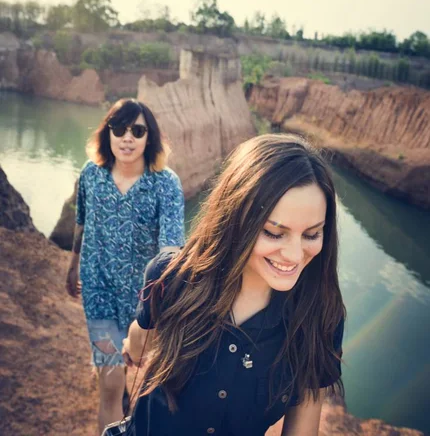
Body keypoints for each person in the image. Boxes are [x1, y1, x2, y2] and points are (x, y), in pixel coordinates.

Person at [122, 133, 345, 436]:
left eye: (311, 234)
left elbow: (303, 424)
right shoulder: (171, 276)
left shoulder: (321, 315)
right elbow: (139, 342)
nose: (294, 255)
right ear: (235, 218)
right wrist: (135, 345)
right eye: (274, 233)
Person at [66, 98, 185, 435]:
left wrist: (150, 311)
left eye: (138, 130)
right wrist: (73, 264)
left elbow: (171, 249)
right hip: (98, 289)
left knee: (139, 371)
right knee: (111, 380)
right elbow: (82, 222)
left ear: (150, 138)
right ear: (108, 134)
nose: (127, 138)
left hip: (142, 300)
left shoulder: (165, 183)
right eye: (119, 129)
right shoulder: (92, 174)